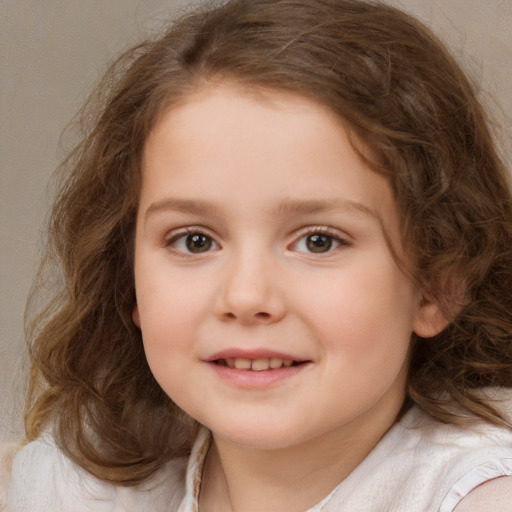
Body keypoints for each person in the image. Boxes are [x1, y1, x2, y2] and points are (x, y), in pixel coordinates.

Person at [2, 0, 512, 510]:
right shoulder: (79, 484)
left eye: (319, 240)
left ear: (438, 281)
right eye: (194, 240)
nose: (246, 297)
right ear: (127, 279)